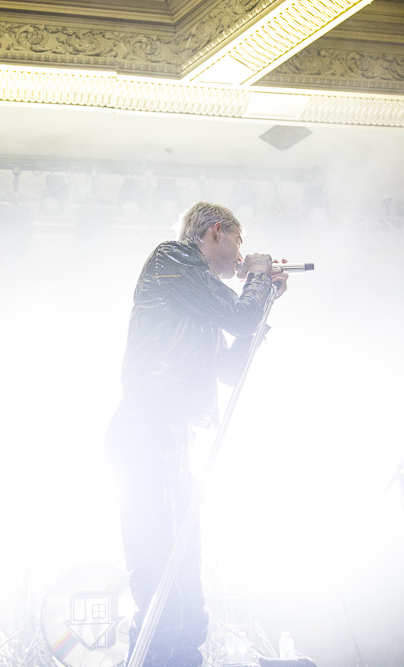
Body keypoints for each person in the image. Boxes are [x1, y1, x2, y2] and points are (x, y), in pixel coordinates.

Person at [106, 202, 288, 667]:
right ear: (215, 232)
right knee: (162, 585)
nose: (242, 255)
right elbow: (241, 316)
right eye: (239, 244)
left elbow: (229, 369)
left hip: (178, 441)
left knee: (187, 593)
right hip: (149, 430)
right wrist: (259, 280)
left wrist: (264, 297)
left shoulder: (201, 298)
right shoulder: (172, 258)